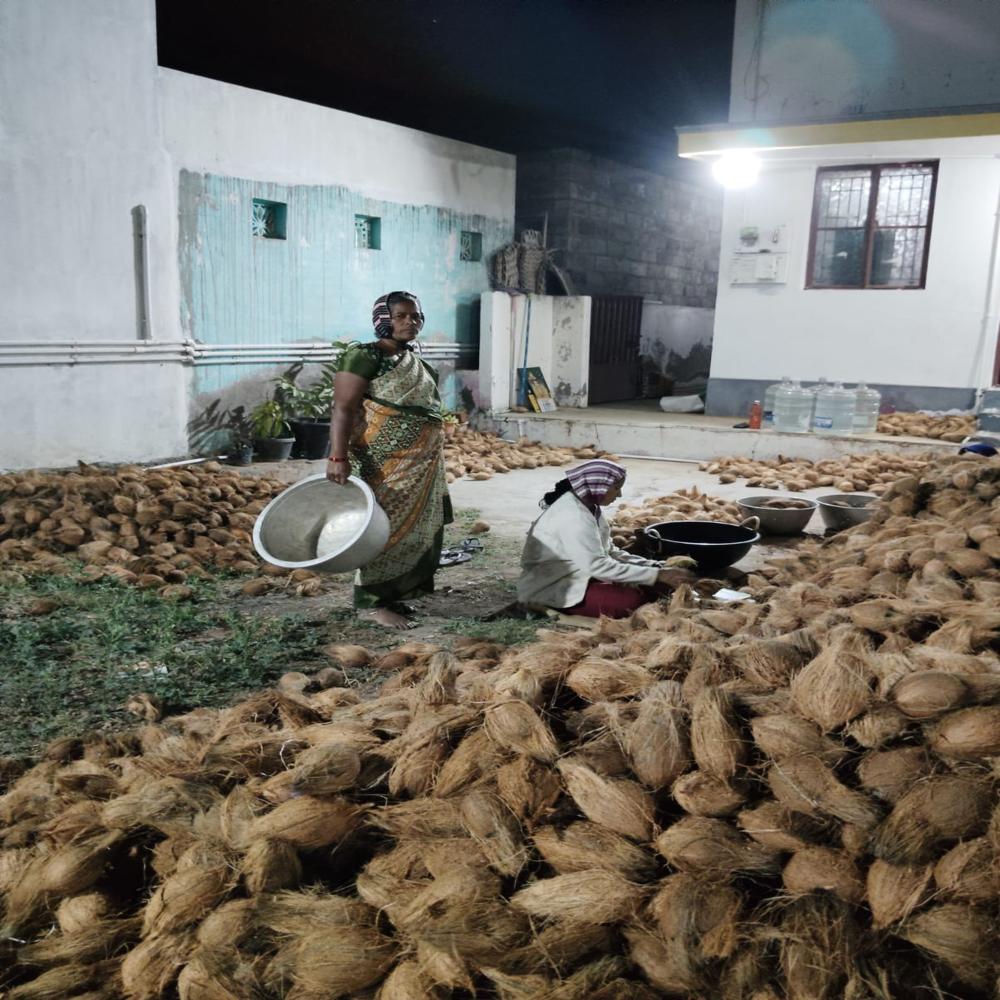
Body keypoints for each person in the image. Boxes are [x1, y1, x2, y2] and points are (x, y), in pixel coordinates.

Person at [326, 291, 452, 629]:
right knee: (384, 529)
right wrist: (337, 456)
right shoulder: (365, 356)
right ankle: (374, 602)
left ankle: (395, 595)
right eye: (401, 316)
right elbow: (343, 408)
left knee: (415, 529)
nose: (411, 322)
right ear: (384, 319)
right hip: (381, 461)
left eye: (416, 316)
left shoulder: (414, 361)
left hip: (420, 464)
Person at [517, 459, 689, 618]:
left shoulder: (589, 508)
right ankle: (543, 604)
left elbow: (609, 551)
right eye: (616, 487)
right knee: (632, 603)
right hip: (554, 584)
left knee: (659, 587)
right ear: (598, 486)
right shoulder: (573, 517)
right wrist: (657, 574)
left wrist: (653, 566)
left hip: (581, 574)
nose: (620, 494)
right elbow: (597, 565)